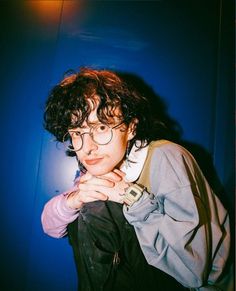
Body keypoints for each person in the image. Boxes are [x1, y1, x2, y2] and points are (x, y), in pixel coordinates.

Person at [41, 68, 232, 291]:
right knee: (87, 206)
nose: (89, 147)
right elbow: (51, 227)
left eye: (101, 127)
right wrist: (75, 199)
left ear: (131, 128)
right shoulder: (102, 167)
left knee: (97, 205)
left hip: (193, 283)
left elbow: (193, 270)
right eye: (77, 133)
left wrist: (131, 196)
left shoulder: (167, 157)